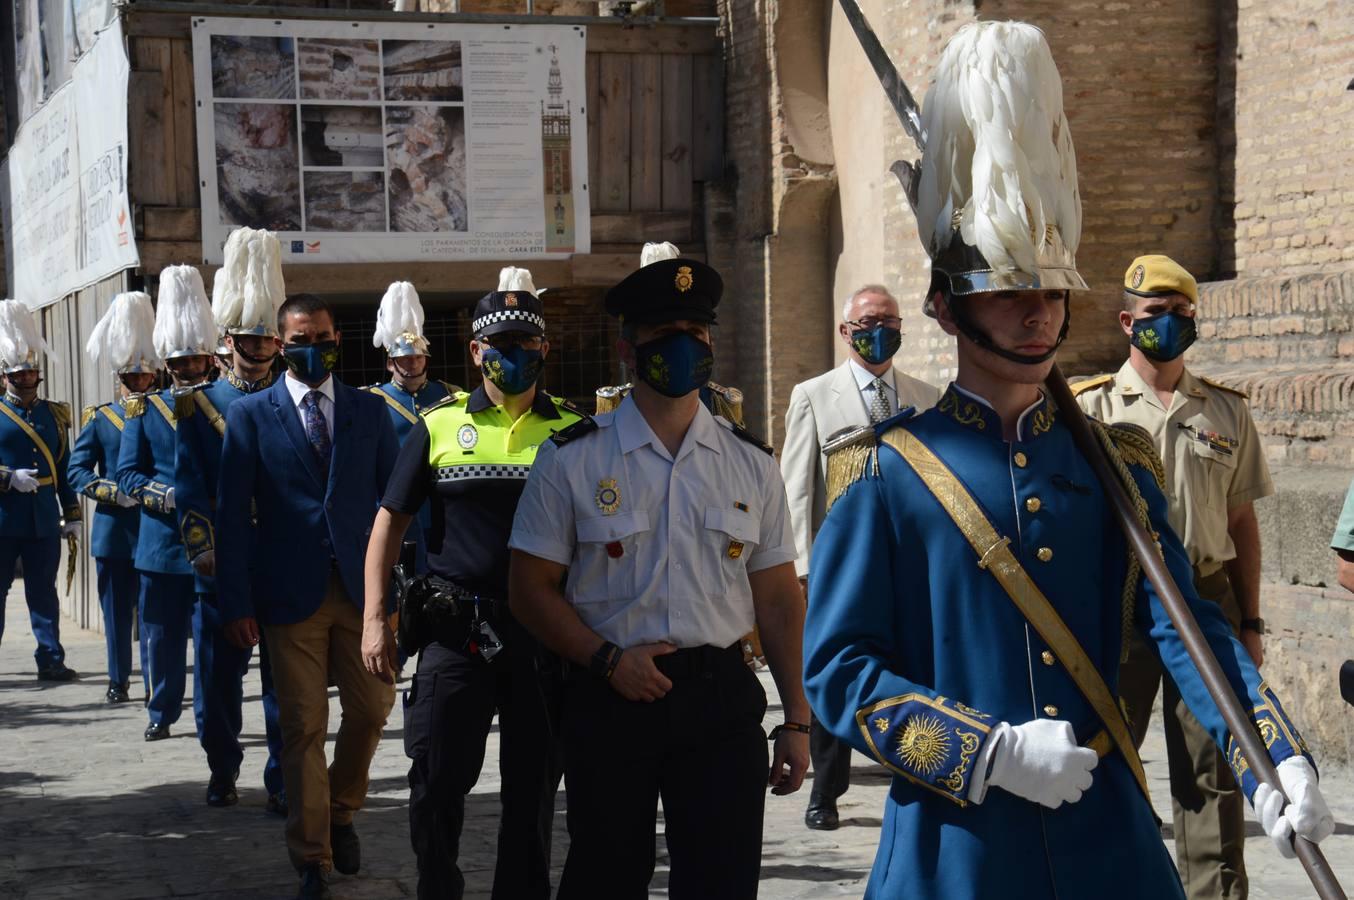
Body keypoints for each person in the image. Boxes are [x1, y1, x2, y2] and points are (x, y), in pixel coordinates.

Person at [802, 21, 1333, 899]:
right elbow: (838, 672)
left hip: (1105, 838)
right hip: (956, 845)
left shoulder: (1115, 461)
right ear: (945, 308)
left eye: (1049, 291)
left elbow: (1187, 626)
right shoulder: (886, 471)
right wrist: (990, 753)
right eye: (1009, 294)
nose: (1038, 315)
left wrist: (1273, 755)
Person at [508, 252, 811, 900]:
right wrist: (605, 659)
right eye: (661, 334)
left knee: (721, 885)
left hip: (720, 698)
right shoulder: (571, 461)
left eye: (694, 334)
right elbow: (528, 588)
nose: (680, 346)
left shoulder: (750, 464)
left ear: (710, 344)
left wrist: (798, 718)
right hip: (611, 698)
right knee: (605, 881)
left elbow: (780, 599)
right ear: (628, 347)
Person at [361, 266, 583, 900]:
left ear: (544, 349)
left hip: (542, 639)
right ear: (475, 351)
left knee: (533, 791)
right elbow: (387, 525)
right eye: (499, 346)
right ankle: (439, 887)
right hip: (456, 635)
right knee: (434, 782)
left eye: (526, 344)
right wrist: (377, 619)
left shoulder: (571, 429)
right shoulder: (436, 425)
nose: (512, 356)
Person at [1074, 254, 1273, 899]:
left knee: (1215, 768)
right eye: (1157, 314)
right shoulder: (1089, 408)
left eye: (1183, 313)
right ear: (1128, 322)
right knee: (1109, 758)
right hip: (1120, 597)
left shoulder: (1225, 411)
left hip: (1204, 597)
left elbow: (1241, 524)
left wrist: (1250, 621)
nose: (1171, 324)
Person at [216, 293, 398, 900]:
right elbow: (232, 517)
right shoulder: (250, 416)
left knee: (373, 711)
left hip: (361, 593)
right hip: (288, 596)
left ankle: (342, 807)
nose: (311, 349)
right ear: (278, 341)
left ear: (337, 338)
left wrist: (397, 591)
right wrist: (237, 602)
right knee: (301, 727)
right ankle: (312, 857)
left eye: (321, 338)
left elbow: (398, 508)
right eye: (299, 339)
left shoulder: (369, 413)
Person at [780, 283, 940, 830]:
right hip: (841, 564)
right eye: (867, 322)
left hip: (910, 562)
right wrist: (803, 569)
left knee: (917, 668)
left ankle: (923, 772)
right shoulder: (814, 395)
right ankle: (825, 791)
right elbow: (797, 488)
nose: (879, 331)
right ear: (845, 332)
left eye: (889, 321)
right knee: (837, 668)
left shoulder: (928, 396)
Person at [174, 227, 287, 811]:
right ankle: (222, 764)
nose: (260, 347)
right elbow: (191, 486)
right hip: (223, 560)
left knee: (285, 682)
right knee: (220, 683)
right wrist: (203, 549)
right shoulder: (198, 403)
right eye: (249, 337)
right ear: (228, 339)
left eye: (267, 337)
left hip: (280, 557)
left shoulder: (293, 397)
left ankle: (282, 780)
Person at [115, 267, 217, 742]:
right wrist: (166, 496)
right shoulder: (143, 408)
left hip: (215, 543)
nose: (188, 370)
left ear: (209, 361)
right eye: (179, 363)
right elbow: (127, 474)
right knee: (162, 637)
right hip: (161, 544)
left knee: (214, 642)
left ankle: (211, 721)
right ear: (166, 365)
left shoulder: (225, 405)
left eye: (196, 361)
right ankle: (162, 709)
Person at [68, 291, 159, 702]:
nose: (136, 384)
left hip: (155, 529)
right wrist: (112, 492)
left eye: (143, 377)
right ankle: (118, 679)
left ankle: (157, 684)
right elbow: (77, 470)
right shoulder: (102, 418)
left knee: (155, 616)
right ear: (117, 379)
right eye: (129, 378)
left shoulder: (164, 415)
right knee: (117, 613)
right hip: (115, 530)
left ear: (153, 377)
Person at [0, 299, 81, 681]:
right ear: (6, 377)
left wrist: (72, 513)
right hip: (3, 519)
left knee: (43, 594)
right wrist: (7, 478)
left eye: (31, 372)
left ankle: (50, 659)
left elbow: (63, 466)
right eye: (20, 374)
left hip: (44, 519)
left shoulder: (54, 413)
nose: (27, 378)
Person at [366, 280, 460, 575]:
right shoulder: (372, 399)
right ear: (390, 363)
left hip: (439, 503)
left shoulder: (449, 394)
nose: (412, 363)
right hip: (395, 498)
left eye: (418, 357)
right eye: (404, 358)